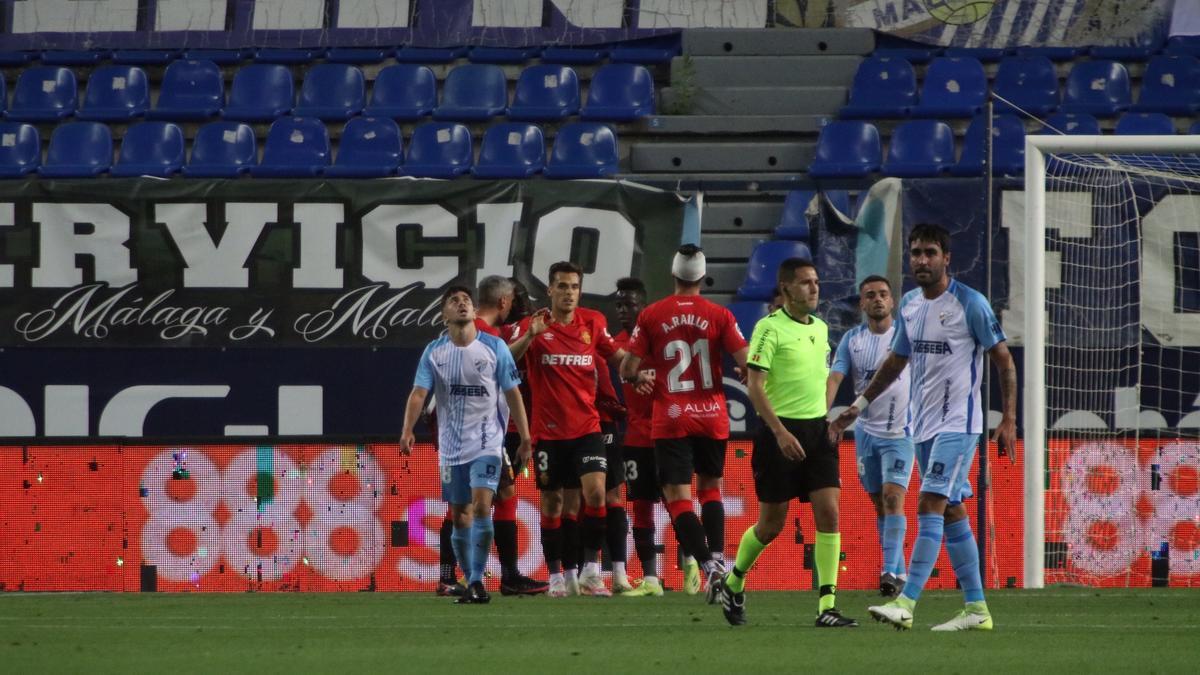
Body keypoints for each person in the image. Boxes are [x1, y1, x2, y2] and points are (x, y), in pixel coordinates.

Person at [828, 223, 1018, 632]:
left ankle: (907, 600)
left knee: (929, 503)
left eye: (930, 252)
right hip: (924, 428)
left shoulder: (971, 304)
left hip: (959, 425)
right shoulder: (911, 305)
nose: (922, 260)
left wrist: (1009, 418)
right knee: (952, 511)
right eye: (915, 253)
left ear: (946, 258)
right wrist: (858, 406)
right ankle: (977, 609)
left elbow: (1004, 359)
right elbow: (895, 362)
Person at [719, 257, 858, 628]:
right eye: (805, 282)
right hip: (778, 433)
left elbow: (819, 381)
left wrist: (827, 417)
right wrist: (780, 432)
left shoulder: (821, 329)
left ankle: (826, 605)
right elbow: (754, 386)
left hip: (817, 432)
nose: (814, 288)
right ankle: (733, 582)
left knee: (829, 512)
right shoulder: (769, 328)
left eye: (816, 281)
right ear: (785, 290)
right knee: (771, 525)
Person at [509, 261, 651, 598]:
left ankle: (590, 569)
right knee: (553, 505)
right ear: (550, 290)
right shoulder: (534, 325)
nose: (568, 293)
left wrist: (635, 373)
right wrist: (530, 335)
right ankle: (557, 575)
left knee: (597, 494)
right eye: (562, 286)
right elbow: (507, 360)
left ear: (580, 290)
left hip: (587, 428)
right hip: (548, 432)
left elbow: (616, 357)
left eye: (573, 287)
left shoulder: (593, 322)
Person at [620, 245, 749, 603]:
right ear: (703, 277)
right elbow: (746, 361)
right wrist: (741, 368)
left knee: (679, 498)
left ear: (673, 275)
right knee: (711, 489)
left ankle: (707, 567)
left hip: (672, 417)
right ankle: (720, 561)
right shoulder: (720, 315)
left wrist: (639, 377)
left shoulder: (651, 315)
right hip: (712, 416)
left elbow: (627, 368)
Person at [400, 286, 532, 604]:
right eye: (454, 301)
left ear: (474, 312)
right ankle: (470, 578)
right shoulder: (435, 352)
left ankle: (477, 580)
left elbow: (512, 392)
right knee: (460, 515)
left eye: (467, 301)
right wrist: (407, 430)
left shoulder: (495, 347)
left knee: (483, 506)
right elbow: (419, 393)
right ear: (444, 314)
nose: (462, 304)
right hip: (451, 447)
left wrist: (526, 437)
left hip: (487, 441)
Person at [826, 275, 914, 598]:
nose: (878, 300)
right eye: (870, 295)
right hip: (865, 432)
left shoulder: (906, 338)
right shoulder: (852, 340)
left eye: (883, 294)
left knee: (894, 497)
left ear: (892, 302)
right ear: (862, 304)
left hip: (901, 431)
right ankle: (899, 570)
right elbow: (836, 377)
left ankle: (888, 570)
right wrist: (826, 412)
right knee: (879, 503)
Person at [475, 275, 549, 596]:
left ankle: (455, 575)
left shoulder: (469, 332)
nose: (522, 303)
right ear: (505, 301)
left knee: (485, 498)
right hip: (494, 431)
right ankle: (500, 575)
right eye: (517, 297)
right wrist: (531, 335)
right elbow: (505, 367)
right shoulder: (494, 335)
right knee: (490, 499)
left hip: (482, 430)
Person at [611, 277, 665, 597]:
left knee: (678, 502)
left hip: (668, 433)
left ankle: (692, 568)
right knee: (642, 507)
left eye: (629, 304)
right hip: (634, 437)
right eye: (618, 304)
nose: (622, 310)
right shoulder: (614, 345)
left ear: (642, 306)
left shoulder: (659, 338)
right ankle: (651, 579)